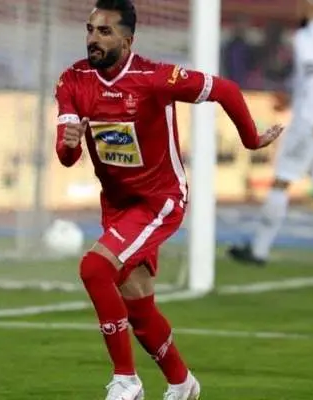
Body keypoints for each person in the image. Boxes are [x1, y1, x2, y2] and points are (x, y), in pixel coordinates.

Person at [54, 1, 283, 399]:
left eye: (104, 32)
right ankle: (182, 383)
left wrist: (250, 139)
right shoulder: (73, 81)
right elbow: (67, 155)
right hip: (118, 205)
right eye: (90, 30)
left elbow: (225, 90)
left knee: (94, 269)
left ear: (127, 41)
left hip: (159, 201)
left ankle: (126, 381)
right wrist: (71, 144)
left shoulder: (155, 78)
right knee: (139, 307)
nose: (93, 38)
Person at [228, 0, 313, 266]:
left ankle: (259, 249)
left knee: (281, 181)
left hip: (310, 121)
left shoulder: (306, 37)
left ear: (311, 6)